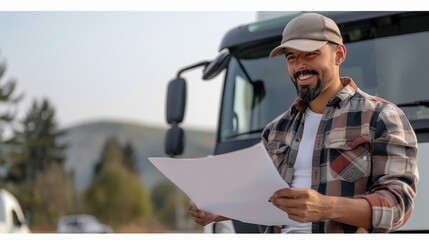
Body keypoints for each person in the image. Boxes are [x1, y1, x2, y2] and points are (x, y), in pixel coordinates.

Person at [189, 13, 419, 233]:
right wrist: (219, 210)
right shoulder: (275, 130)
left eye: (310, 54)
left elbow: (398, 206)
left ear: (339, 54)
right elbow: (264, 199)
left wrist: (325, 207)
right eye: (291, 57)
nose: (299, 66)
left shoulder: (381, 117)